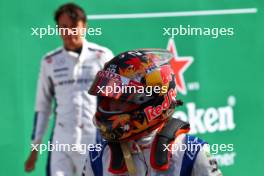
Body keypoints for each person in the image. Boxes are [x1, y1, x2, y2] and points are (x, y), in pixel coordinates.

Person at [82, 49, 222, 176]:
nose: (112, 107)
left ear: (153, 102)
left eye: (122, 101)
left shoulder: (192, 152)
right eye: (110, 100)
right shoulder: (97, 157)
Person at [24, 3, 114, 176]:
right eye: (63, 27)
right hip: (61, 141)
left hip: (94, 139)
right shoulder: (50, 61)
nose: (69, 32)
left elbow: (115, 101)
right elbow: (42, 107)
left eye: (74, 27)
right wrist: (35, 147)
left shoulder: (102, 56)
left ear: (84, 26)